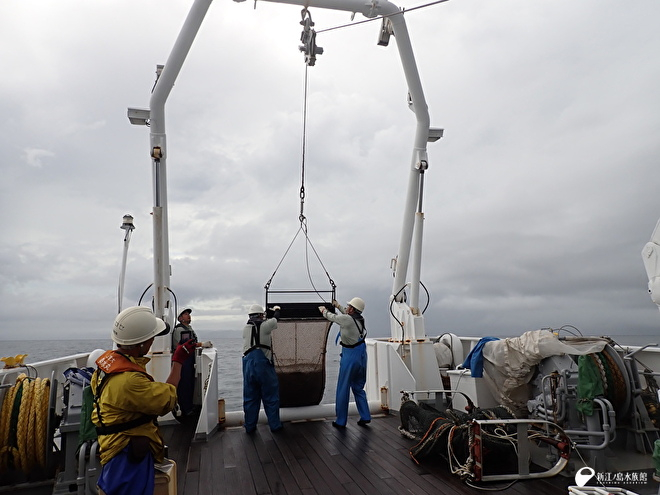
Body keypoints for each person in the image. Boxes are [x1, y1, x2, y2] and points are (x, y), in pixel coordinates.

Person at [91, 306, 196, 495]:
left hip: (111, 446)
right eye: (151, 337)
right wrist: (178, 361)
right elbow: (168, 399)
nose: (152, 341)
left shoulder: (106, 365)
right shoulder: (130, 381)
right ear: (141, 343)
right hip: (126, 455)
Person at [318, 297, 371, 428]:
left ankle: (341, 421)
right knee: (358, 387)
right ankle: (365, 416)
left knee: (343, 387)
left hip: (350, 355)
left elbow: (333, 318)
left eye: (348, 306)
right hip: (362, 354)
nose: (346, 308)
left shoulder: (347, 319)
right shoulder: (358, 319)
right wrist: (338, 306)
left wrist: (323, 311)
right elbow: (346, 315)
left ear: (352, 309)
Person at [242, 304, 283, 434]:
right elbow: (276, 319)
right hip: (263, 365)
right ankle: (275, 426)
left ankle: (250, 426)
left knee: (250, 397)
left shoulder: (245, 329)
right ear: (260, 315)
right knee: (270, 396)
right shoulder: (265, 326)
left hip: (248, 365)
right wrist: (276, 310)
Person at [171, 308, 198, 416]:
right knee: (184, 384)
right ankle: (185, 408)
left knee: (190, 383)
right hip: (183, 360)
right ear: (180, 318)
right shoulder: (179, 330)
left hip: (189, 359)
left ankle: (189, 406)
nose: (188, 316)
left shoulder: (189, 329)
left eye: (188, 314)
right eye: (186, 314)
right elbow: (181, 346)